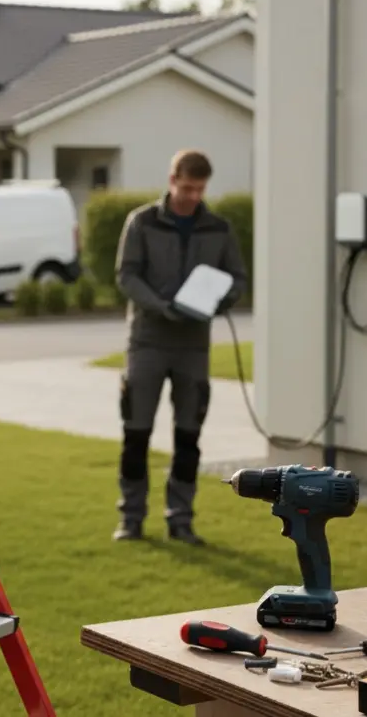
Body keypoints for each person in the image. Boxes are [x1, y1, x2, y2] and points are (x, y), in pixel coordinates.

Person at [111, 149, 248, 544]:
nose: (192, 196)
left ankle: (181, 520)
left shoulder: (218, 229)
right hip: (147, 342)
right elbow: (126, 276)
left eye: (199, 189)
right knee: (136, 433)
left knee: (188, 436)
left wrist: (219, 300)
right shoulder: (141, 222)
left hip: (193, 347)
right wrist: (162, 306)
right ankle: (131, 519)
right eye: (186, 187)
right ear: (172, 180)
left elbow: (237, 278)